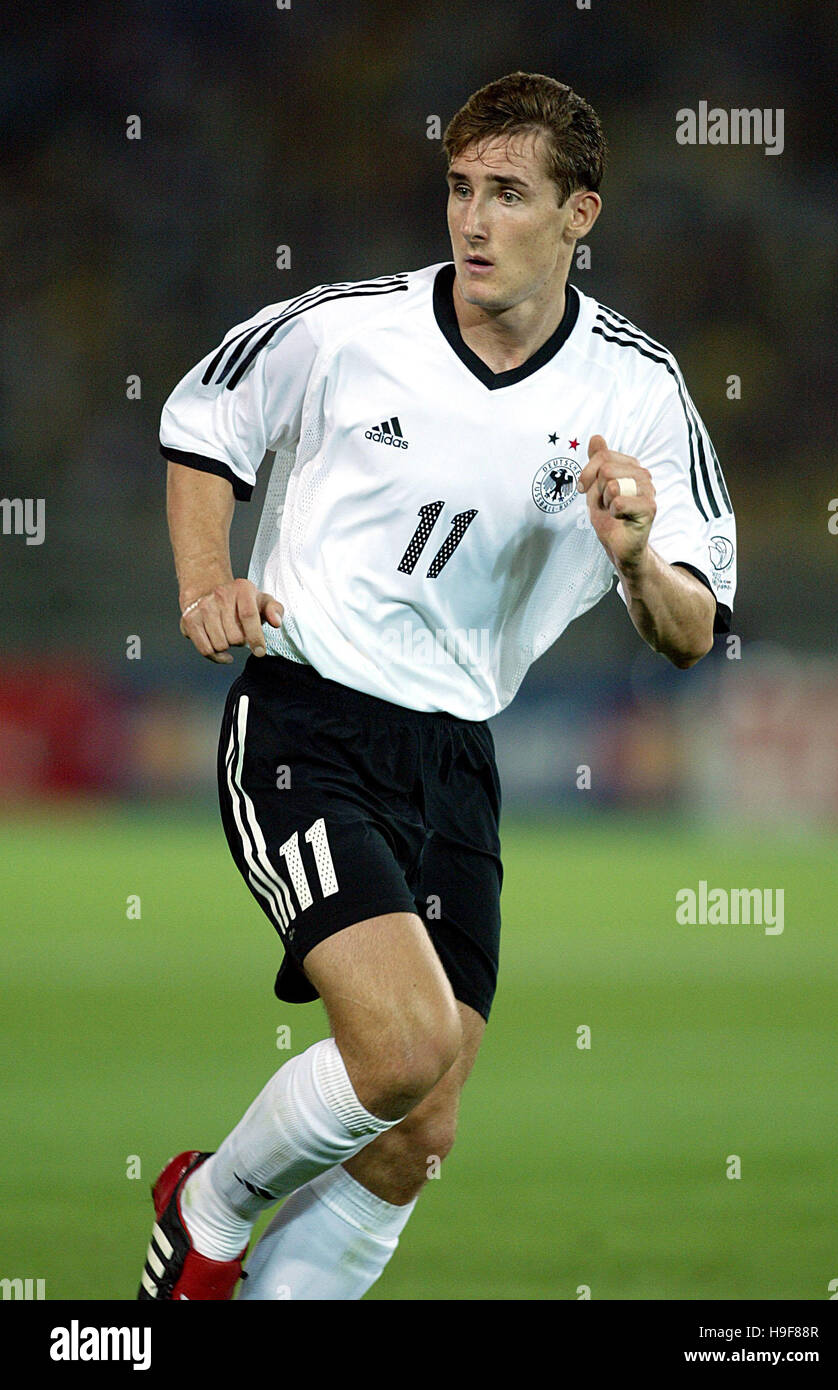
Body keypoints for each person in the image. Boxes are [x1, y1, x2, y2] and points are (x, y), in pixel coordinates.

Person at [138, 70, 736, 1301]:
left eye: (508, 194)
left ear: (580, 216)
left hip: (457, 750)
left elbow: (689, 626)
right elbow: (204, 424)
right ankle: (206, 1204)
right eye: (460, 188)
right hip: (308, 715)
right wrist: (208, 579)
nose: (472, 220)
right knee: (403, 1045)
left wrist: (631, 556)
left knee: (417, 1134)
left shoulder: (635, 389)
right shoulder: (346, 328)